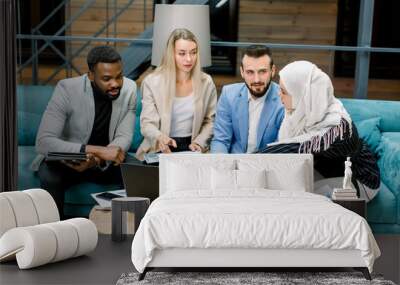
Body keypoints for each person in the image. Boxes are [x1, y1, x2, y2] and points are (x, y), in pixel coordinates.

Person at [32, 45, 137, 217]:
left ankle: (135, 229)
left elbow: (124, 136)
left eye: (119, 76)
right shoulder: (67, 89)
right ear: (90, 76)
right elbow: (43, 142)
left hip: (104, 162)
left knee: (136, 169)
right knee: (50, 175)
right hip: (69, 161)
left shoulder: (130, 89)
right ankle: (54, 230)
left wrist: (97, 159)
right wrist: (97, 150)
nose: (115, 84)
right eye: (107, 79)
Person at [260, 60, 380, 198]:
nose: (279, 95)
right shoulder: (303, 112)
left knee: (289, 196)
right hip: (327, 169)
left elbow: (294, 147)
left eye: (283, 91)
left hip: (359, 179)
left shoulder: (339, 128)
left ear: (303, 94)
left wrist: (242, 160)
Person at [136, 28, 217, 160]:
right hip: (161, 145)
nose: (189, 59)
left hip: (193, 147)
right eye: (182, 53)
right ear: (171, 54)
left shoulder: (206, 82)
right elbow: (147, 124)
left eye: (193, 52)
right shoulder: (152, 82)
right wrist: (159, 137)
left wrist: (200, 142)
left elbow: (211, 121)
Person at [210, 45, 284, 153]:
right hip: (233, 164)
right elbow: (221, 141)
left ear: (272, 70)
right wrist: (222, 167)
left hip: (267, 165)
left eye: (262, 71)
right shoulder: (228, 95)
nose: (256, 79)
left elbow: (281, 148)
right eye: (250, 72)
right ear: (242, 72)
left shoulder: (283, 100)